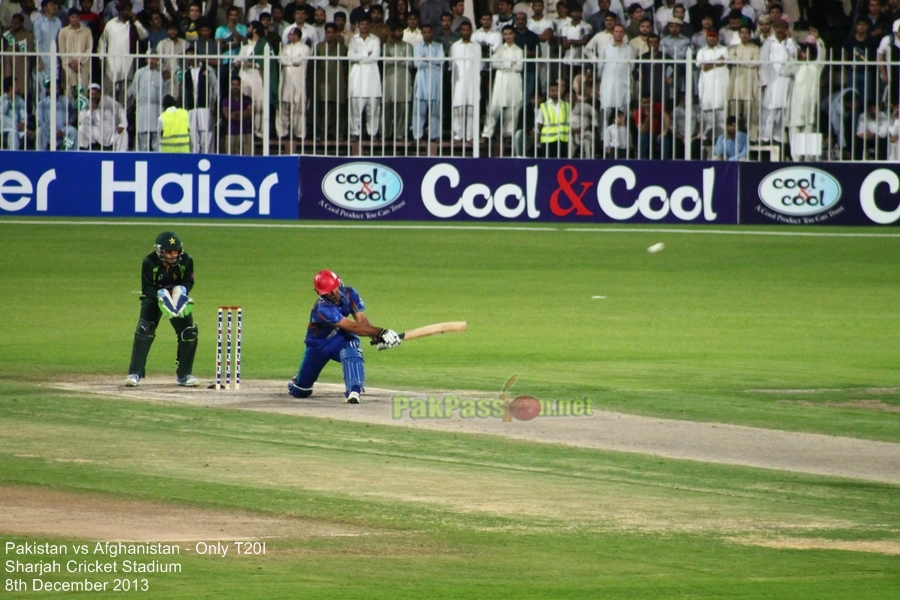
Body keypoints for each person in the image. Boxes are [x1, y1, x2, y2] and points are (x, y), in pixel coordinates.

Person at [287, 270, 401, 404]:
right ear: (318, 293)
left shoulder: (350, 293)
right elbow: (352, 327)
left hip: (340, 338)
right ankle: (297, 381)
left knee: (352, 349)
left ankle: (354, 390)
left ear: (339, 282)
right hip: (318, 345)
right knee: (301, 391)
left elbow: (361, 320)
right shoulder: (322, 307)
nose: (331, 294)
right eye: (326, 292)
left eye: (332, 289)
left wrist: (374, 338)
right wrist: (381, 332)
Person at [125, 232, 199, 388]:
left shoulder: (186, 260)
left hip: (177, 299)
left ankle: (184, 375)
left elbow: (188, 281)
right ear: (160, 251)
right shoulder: (149, 262)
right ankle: (135, 373)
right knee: (145, 329)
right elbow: (147, 288)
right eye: (168, 251)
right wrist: (161, 297)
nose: (173, 255)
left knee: (189, 333)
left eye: (176, 251)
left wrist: (181, 292)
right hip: (154, 299)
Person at [481, 25, 523, 140]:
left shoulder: (518, 50)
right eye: (505, 34)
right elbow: (494, 64)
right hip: (500, 80)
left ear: (514, 35)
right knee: (494, 107)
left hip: (513, 80)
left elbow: (519, 67)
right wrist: (509, 64)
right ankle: (487, 133)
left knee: (512, 107)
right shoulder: (500, 49)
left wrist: (503, 64)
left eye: (510, 34)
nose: (508, 36)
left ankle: (508, 134)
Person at [348, 14, 382, 139]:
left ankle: (372, 133)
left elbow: (375, 57)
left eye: (367, 24)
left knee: (373, 109)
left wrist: (360, 56)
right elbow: (351, 56)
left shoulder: (375, 40)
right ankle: (354, 133)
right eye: (362, 24)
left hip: (372, 79)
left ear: (370, 25)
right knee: (355, 109)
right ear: (358, 25)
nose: (364, 26)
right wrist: (366, 55)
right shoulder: (353, 40)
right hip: (357, 79)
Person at [314, 22, 348, 141]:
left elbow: (346, 66)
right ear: (325, 33)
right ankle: (322, 133)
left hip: (338, 82)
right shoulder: (319, 47)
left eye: (333, 32)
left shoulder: (342, 48)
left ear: (336, 33)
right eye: (328, 32)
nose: (331, 35)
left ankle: (338, 133)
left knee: (338, 109)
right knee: (324, 109)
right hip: (323, 83)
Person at [276, 25, 310, 140]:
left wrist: (287, 60)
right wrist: (290, 61)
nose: (288, 36)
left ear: (296, 36)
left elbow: (299, 61)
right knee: (283, 108)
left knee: (298, 109)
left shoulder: (305, 48)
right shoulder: (285, 47)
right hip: (285, 80)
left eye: (290, 34)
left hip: (298, 82)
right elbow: (280, 60)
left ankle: (299, 134)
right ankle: (282, 133)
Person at [449, 20, 481, 142]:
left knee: (472, 107)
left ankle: (470, 135)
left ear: (471, 31)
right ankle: (458, 134)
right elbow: (451, 66)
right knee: (458, 106)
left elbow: (480, 66)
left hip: (473, 80)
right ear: (460, 31)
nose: (466, 32)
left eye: (468, 30)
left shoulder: (476, 47)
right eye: (463, 30)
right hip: (459, 80)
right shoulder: (455, 46)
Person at [728, 24, 760, 141]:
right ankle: (736, 138)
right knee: (736, 116)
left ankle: (751, 138)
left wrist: (739, 61)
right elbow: (732, 60)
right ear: (739, 34)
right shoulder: (733, 49)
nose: (744, 35)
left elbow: (756, 63)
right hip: (736, 86)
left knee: (750, 116)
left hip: (748, 86)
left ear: (750, 34)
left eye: (747, 32)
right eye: (742, 32)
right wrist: (747, 62)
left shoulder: (755, 49)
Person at [382, 23, 414, 140]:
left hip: (403, 80)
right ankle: (386, 134)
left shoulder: (408, 47)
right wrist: (402, 59)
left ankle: (400, 134)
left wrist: (393, 59)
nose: (400, 33)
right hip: (389, 80)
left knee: (402, 109)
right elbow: (385, 62)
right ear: (392, 33)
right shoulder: (386, 47)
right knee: (387, 109)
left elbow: (410, 63)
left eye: (401, 31)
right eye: (397, 31)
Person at [412, 23, 444, 141]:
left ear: (432, 33)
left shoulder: (438, 46)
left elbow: (441, 61)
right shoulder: (417, 47)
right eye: (424, 32)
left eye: (429, 32)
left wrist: (425, 59)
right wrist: (432, 61)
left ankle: (435, 135)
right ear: (422, 33)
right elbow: (417, 63)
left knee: (435, 109)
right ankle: (417, 135)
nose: (427, 35)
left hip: (435, 79)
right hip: (422, 79)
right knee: (419, 110)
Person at [696, 28, 728, 143]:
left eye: (714, 36)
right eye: (710, 36)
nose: (712, 38)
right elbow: (701, 66)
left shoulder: (724, 49)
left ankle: (721, 140)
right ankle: (707, 138)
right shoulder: (701, 51)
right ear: (707, 37)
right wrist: (716, 61)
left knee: (722, 119)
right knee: (708, 118)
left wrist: (710, 63)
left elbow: (723, 62)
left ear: (717, 37)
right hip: (707, 88)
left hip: (721, 88)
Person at [130, 49, 166, 151]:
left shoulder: (160, 75)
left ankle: (157, 160)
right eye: (150, 58)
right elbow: (133, 89)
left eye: (154, 58)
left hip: (157, 109)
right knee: (143, 136)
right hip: (143, 108)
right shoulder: (140, 73)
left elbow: (164, 92)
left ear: (157, 60)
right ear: (146, 59)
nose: (152, 61)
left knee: (157, 135)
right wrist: (140, 100)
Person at [78, 83, 129, 150]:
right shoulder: (87, 104)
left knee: (124, 133)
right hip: (98, 132)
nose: (93, 97)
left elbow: (120, 109)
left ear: (100, 94)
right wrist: (90, 111)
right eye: (91, 94)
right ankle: (83, 152)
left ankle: (121, 156)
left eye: (96, 94)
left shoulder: (108, 100)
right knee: (81, 128)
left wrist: (122, 124)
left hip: (111, 131)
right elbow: (81, 120)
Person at [221, 73, 253, 154]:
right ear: (230, 86)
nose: (235, 87)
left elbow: (249, 113)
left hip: (246, 132)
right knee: (231, 160)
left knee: (248, 159)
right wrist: (243, 114)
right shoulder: (226, 100)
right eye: (233, 85)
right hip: (231, 133)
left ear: (240, 85)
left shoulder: (247, 99)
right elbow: (227, 116)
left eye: (237, 85)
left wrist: (235, 113)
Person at [536, 80, 569, 157]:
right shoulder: (543, 106)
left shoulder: (566, 106)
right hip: (548, 140)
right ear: (549, 92)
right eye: (552, 90)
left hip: (562, 140)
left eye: (557, 90)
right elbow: (539, 124)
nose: (554, 92)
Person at [0, 76, 27, 150]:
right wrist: (8, 99)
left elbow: (23, 114)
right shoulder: (2, 99)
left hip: (17, 130)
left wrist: (23, 123)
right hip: (4, 129)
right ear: (10, 88)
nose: (19, 87)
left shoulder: (20, 101)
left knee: (13, 134)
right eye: (17, 85)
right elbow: (1, 112)